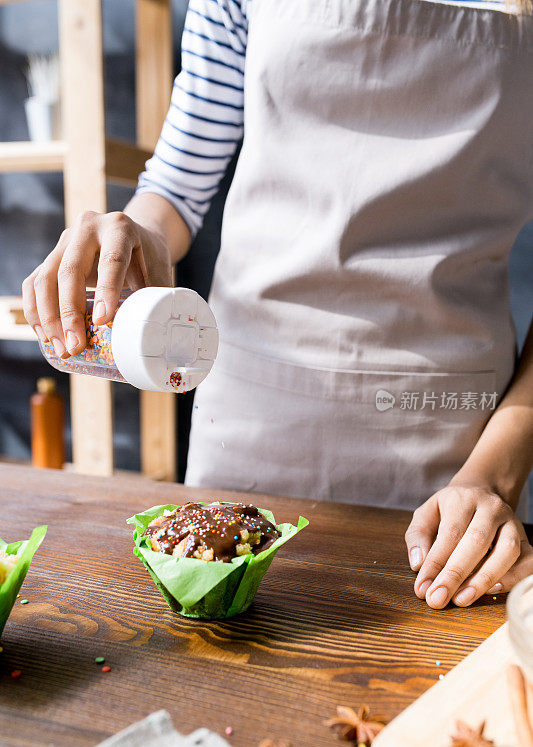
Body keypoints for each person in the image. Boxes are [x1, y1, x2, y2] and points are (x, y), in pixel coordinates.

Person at [22, 0, 533, 609]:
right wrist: (133, 235)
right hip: (253, 413)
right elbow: (178, 185)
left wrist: (495, 475)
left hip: (456, 448)